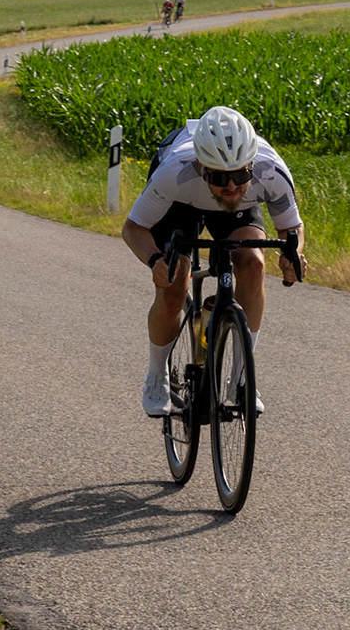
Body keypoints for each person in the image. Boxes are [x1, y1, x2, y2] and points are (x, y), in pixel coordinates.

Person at [121, 106, 305, 417]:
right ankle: (156, 377)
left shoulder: (271, 171)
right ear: (201, 165)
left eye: (240, 174)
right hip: (180, 203)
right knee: (174, 282)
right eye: (220, 176)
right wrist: (155, 261)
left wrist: (293, 254)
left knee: (253, 264)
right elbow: (133, 228)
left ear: (252, 164)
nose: (231, 186)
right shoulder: (173, 173)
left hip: (238, 209)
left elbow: (292, 229)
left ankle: (241, 380)